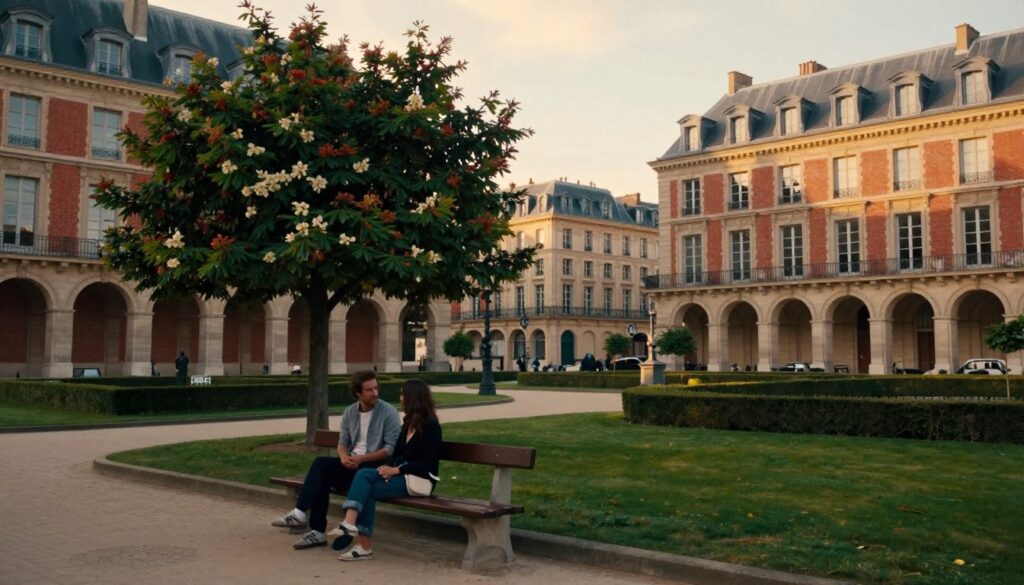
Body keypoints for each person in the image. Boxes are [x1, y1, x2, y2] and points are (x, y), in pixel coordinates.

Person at [271, 371, 401, 550]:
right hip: (352, 463)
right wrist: (344, 457)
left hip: (373, 467)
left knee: (350, 474)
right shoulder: (350, 412)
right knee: (321, 466)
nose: (375, 393)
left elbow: (389, 449)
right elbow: (342, 444)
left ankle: (328, 526)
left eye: (376, 388)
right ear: (358, 393)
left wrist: (361, 458)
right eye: (369, 390)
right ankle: (307, 521)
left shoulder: (388, 412)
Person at [328, 379, 442, 561]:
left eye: (403, 394)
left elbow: (426, 464)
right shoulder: (408, 424)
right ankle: (360, 541)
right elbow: (396, 454)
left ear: (412, 397)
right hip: (401, 476)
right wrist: (385, 468)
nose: (401, 397)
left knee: (364, 479)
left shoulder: (431, 426)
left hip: (420, 481)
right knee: (366, 483)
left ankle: (350, 525)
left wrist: (397, 470)